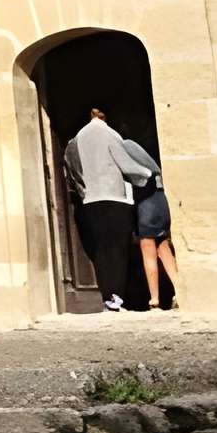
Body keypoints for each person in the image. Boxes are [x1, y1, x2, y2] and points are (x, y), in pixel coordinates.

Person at [65, 104, 155, 311]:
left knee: (101, 251)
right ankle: (117, 296)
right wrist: (148, 174)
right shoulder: (110, 135)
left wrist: (83, 190)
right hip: (114, 198)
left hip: (90, 200)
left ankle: (107, 296)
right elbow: (126, 164)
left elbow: (70, 168)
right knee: (117, 250)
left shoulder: (76, 139)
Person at [117, 127, 181, 311]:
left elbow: (138, 174)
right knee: (163, 248)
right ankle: (180, 290)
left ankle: (154, 298)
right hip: (160, 199)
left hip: (147, 202)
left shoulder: (123, 146)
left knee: (148, 251)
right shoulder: (143, 151)